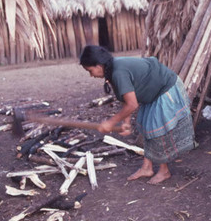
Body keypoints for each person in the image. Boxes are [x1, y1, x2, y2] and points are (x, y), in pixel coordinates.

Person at [79, 45, 195, 185]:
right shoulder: (111, 69)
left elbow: (132, 104)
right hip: (152, 93)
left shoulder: (118, 72)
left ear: (98, 65)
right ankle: (147, 168)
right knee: (146, 128)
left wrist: (111, 122)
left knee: (157, 132)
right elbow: (125, 98)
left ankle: (164, 171)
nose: (91, 75)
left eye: (90, 71)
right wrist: (125, 122)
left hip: (165, 88)